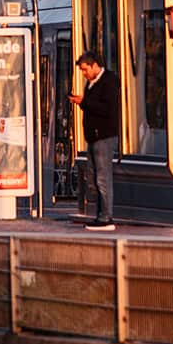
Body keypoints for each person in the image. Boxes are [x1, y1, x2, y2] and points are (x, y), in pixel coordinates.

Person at [69, 51, 120, 230]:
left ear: (94, 65)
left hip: (104, 136)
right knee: (95, 176)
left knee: (103, 177)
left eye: (85, 70)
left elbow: (108, 109)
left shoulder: (109, 81)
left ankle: (106, 217)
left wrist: (85, 102)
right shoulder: (91, 83)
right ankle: (100, 214)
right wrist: (83, 102)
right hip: (93, 137)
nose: (84, 74)